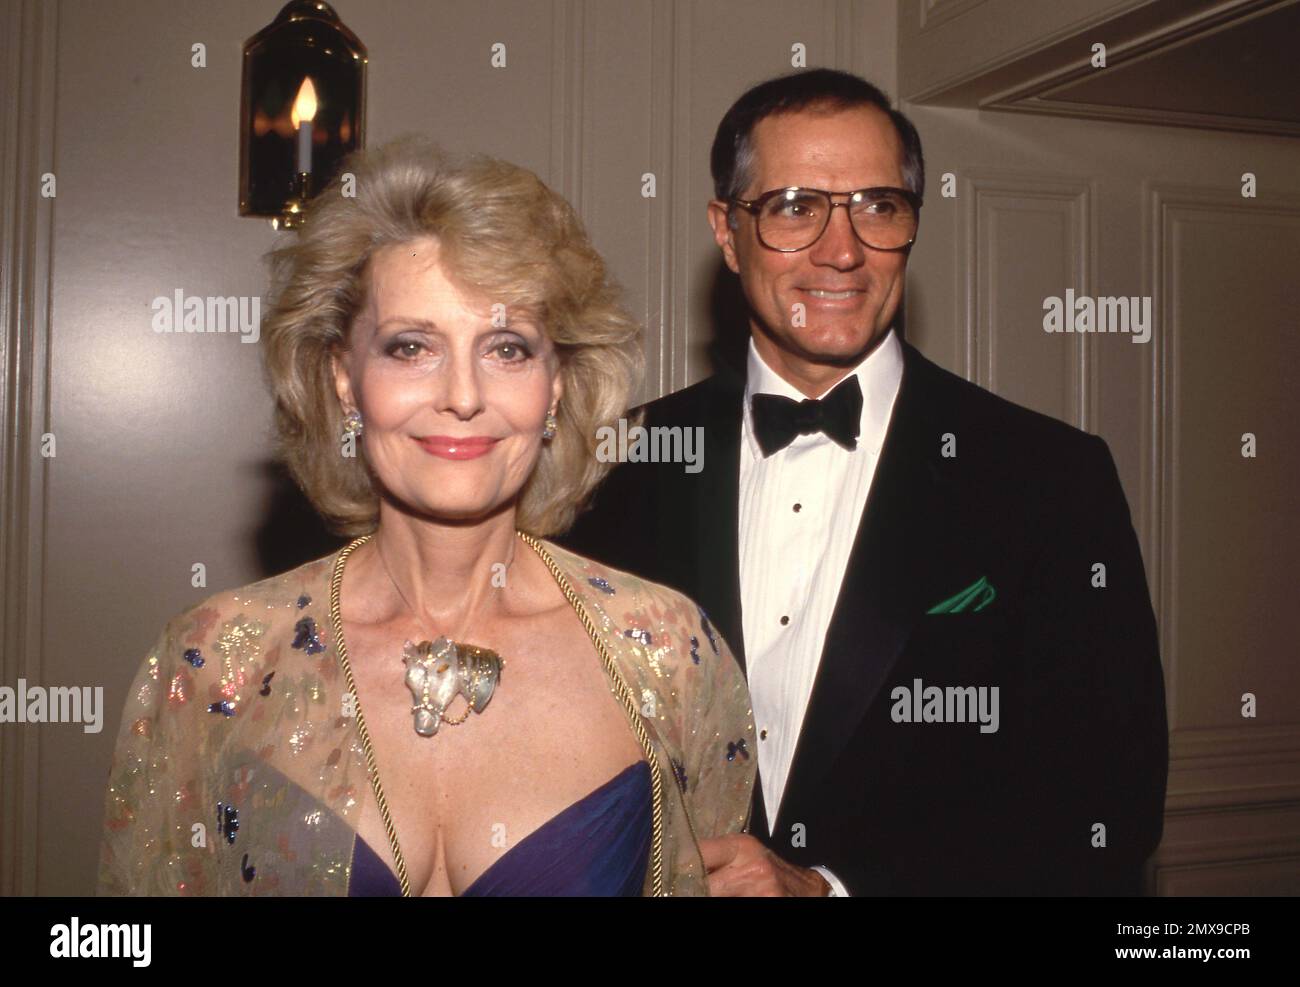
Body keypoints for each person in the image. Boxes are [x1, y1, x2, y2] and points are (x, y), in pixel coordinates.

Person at [560, 68, 1169, 895]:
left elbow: (1109, 807)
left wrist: (834, 889)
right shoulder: (613, 463)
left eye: (878, 207)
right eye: (795, 207)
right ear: (728, 233)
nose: (842, 250)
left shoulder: (1050, 479)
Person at [97, 137, 755, 897]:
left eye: (507, 348)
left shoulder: (668, 654)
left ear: (557, 385)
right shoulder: (216, 661)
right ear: (345, 377)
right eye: (412, 347)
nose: (463, 395)